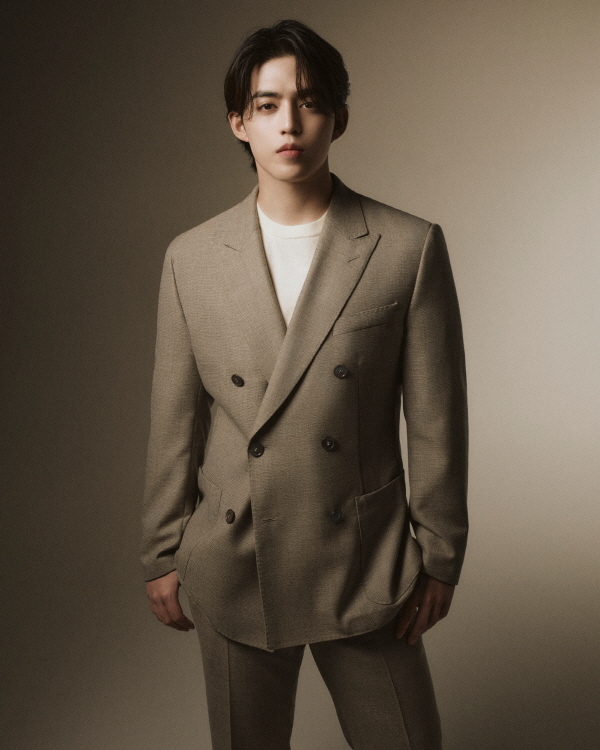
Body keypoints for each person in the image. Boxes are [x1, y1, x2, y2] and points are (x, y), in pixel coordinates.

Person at [141, 18, 468, 750]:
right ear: (239, 122)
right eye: (267, 105)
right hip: (234, 558)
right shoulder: (191, 258)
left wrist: (442, 554)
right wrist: (161, 550)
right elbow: (175, 418)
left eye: (310, 101)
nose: (289, 122)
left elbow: (437, 420)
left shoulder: (407, 247)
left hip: (365, 560)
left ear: (338, 119)